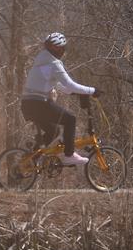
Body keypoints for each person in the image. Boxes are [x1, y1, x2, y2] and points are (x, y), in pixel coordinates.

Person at [21, 32, 99, 166]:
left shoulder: (41, 61)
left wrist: (75, 93)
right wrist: (92, 91)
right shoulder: (54, 63)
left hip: (28, 105)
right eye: (58, 48)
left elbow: (59, 85)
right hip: (39, 104)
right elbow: (70, 84)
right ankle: (69, 155)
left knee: (54, 131)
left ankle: (31, 159)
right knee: (70, 119)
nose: (59, 51)